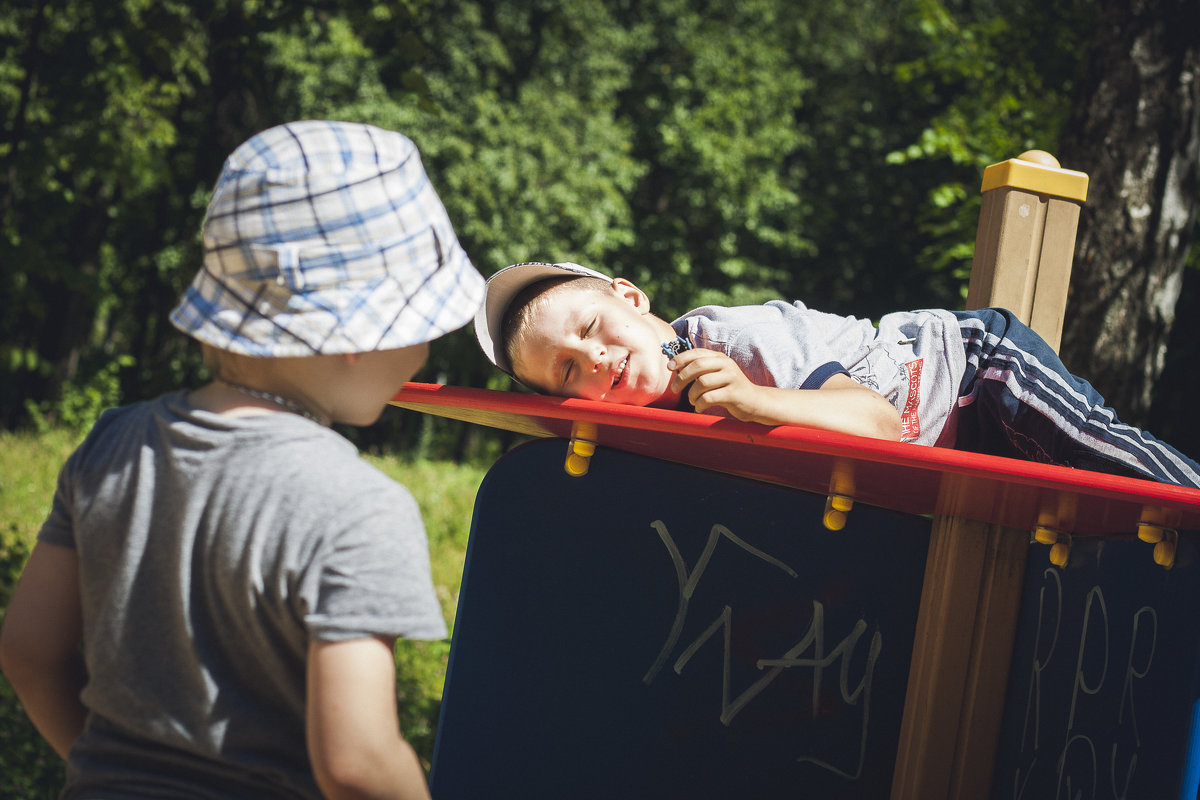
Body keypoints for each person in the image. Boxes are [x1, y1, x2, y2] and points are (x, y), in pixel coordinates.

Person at [0, 120, 485, 799]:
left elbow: (26, 651)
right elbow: (358, 763)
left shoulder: (111, 446)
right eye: (424, 327)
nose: (427, 351)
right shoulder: (359, 507)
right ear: (357, 331)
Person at [473, 260, 1200, 489]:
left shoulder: (738, 342)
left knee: (1106, 458)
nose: (595, 360)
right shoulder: (658, 425)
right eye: (570, 371)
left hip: (975, 375)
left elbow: (877, 425)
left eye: (594, 331)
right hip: (945, 458)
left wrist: (754, 399)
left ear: (630, 299)